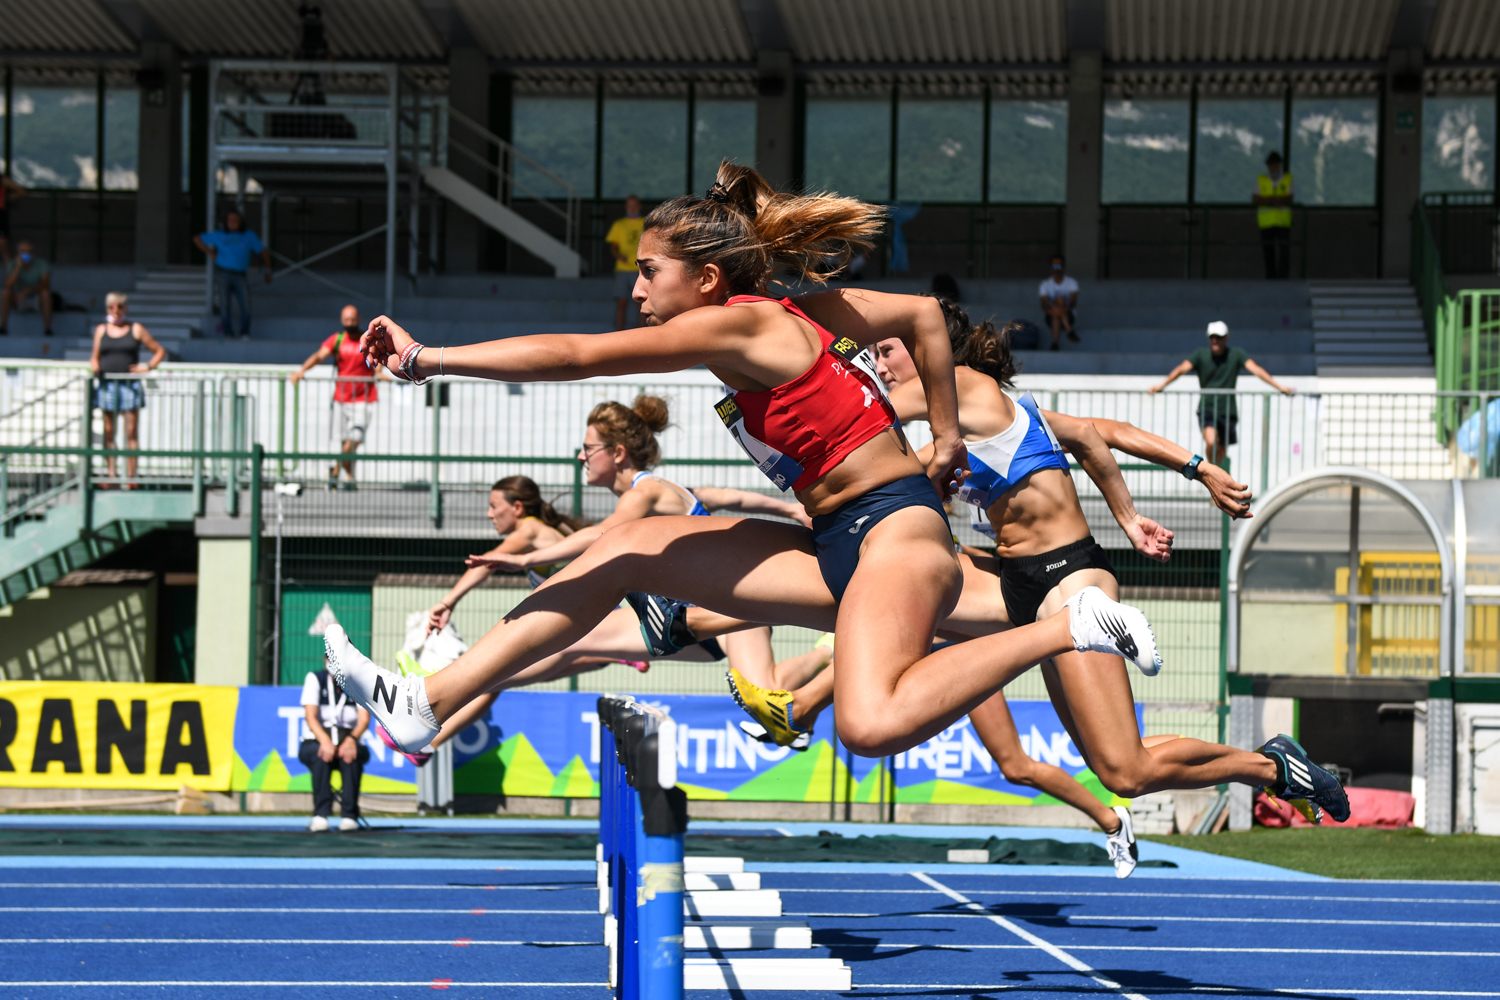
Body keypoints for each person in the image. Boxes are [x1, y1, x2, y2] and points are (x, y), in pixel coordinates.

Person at [330, 161, 1163, 778]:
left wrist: (428, 359)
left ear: (705, 278)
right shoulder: (796, 314)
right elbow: (919, 316)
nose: (637, 289)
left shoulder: (734, 325)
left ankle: (1070, 627)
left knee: (869, 725)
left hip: (897, 534)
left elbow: (579, 354)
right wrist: (942, 438)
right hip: (837, 537)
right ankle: (425, 703)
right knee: (623, 550)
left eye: (648, 272)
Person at [730, 307, 1348, 834]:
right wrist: (1195, 467)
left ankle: (1274, 769)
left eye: (887, 350)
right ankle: (753, 658)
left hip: (1069, 579)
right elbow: (1099, 433)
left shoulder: (960, 385)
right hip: (1020, 582)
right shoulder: (986, 412)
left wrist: (1131, 517)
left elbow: (858, 408)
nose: (880, 364)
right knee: (1115, 766)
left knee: (1127, 771)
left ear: (928, 349)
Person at [392, 399, 817, 757]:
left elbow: (607, 533)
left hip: (726, 605)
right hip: (679, 619)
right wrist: (789, 509)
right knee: (563, 641)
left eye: (587, 448)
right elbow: (730, 496)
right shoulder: (670, 489)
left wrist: (527, 560)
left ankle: (829, 654)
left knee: (771, 697)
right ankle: (437, 688)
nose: (580, 457)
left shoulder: (645, 491)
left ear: (616, 453)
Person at [1149, 320, 1295, 468]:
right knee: (1211, 442)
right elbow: (1181, 369)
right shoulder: (1200, 354)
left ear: (1226, 338)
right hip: (1207, 408)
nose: (1215, 341)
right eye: (1212, 337)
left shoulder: (1236, 354)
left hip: (1227, 411)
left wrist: (1280, 387)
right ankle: (1209, 472)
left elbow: (1256, 370)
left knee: (1222, 452)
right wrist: (1161, 385)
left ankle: (1218, 475)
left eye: (1218, 337)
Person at [289, 304, 391, 489]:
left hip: (363, 398)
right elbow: (319, 356)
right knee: (346, 441)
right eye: (346, 320)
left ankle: (335, 471)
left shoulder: (368, 339)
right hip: (341, 398)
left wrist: (379, 373)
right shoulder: (337, 340)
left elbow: (376, 358)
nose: (350, 323)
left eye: (352, 320)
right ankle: (349, 478)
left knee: (354, 439)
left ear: (359, 319)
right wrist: (302, 370)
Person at [88, 292, 166, 485]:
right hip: (107, 385)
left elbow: (159, 351)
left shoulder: (136, 329)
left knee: (130, 431)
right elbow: (94, 357)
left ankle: (131, 476)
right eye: (111, 307)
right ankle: (111, 475)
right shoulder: (101, 330)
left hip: (129, 386)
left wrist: (148, 367)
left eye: (119, 307)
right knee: (108, 431)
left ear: (125, 308)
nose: (115, 311)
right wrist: (94, 366)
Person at [297, 662, 371, 832]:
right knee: (320, 755)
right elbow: (310, 717)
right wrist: (324, 741)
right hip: (319, 740)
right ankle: (320, 814)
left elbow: (364, 719)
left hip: (348, 739)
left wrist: (351, 740)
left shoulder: (357, 682)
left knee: (351, 756)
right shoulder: (316, 679)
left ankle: (349, 815)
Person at [193, 210, 271, 339]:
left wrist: (268, 270)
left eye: (235, 219)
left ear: (240, 221)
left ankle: (244, 332)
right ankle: (228, 333)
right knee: (224, 305)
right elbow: (197, 238)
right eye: (229, 220)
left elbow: (263, 251)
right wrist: (211, 253)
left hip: (240, 274)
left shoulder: (248, 235)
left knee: (246, 304)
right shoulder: (220, 234)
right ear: (225, 222)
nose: (232, 222)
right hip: (223, 273)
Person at [606, 195, 645, 329]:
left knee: (641, 304)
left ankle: (642, 335)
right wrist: (620, 256)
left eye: (635, 205)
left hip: (640, 269)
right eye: (629, 205)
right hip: (622, 268)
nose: (632, 208)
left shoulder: (646, 223)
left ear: (639, 206)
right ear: (626, 207)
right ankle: (619, 333)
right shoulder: (619, 224)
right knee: (621, 303)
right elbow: (613, 247)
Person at [1253, 151, 1293, 280]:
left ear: (1279, 165)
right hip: (1266, 222)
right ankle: (1270, 278)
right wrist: (1272, 200)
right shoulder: (1261, 179)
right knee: (1268, 252)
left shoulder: (1287, 179)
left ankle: (1283, 278)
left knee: (1284, 251)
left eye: (1274, 164)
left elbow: (1290, 197)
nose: (1272, 167)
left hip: (1282, 221)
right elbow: (1255, 198)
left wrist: (1278, 200)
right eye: (1270, 165)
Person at [0, 241, 52, 336]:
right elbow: (8, 284)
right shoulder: (13, 263)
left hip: (36, 299)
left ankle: (47, 329)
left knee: (46, 294)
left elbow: (46, 284)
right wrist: (18, 267)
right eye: (23, 251)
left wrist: (28, 289)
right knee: (5, 292)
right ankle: (3, 327)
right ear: (18, 253)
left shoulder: (42, 263)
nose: (26, 254)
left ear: (33, 253)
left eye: (29, 251)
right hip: (18, 299)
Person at [1038, 254, 1079, 351]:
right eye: (1054, 265)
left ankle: (1055, 343)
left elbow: (1072, 304)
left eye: (1059, 265)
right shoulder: (1045, 284)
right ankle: (1069, 331)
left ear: (1064, 267)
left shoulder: (1071, 282)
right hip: (1051, 316)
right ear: (1051, 267)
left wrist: (1059, 309)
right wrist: (1054, 310)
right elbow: (1044, 306)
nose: (1057, 269)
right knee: (1056, 313)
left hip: (1069, 316)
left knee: (1060, 300)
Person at [0, 173, 26, 267]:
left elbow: (21, 191)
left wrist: (7, 198)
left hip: (1, 213)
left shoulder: (3, 179)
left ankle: (10, 271)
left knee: (3, 244)